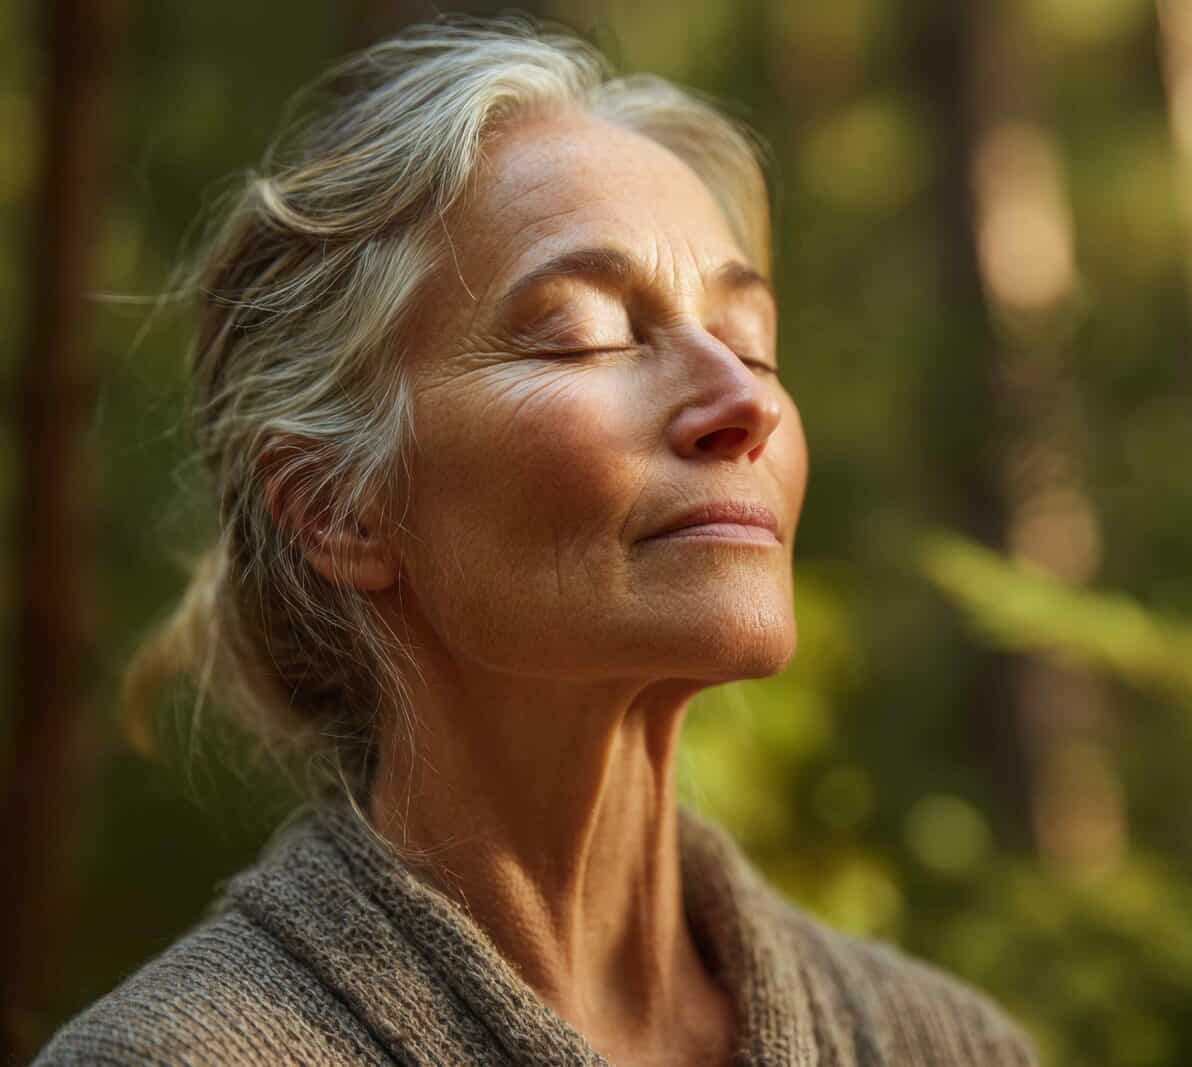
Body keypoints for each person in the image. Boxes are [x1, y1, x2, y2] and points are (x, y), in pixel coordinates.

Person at [36, 17, 1039, 1067]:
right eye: (584, 334)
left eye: (751, 345)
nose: (743, 401)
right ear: (335, 505)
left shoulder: (950, 1046)